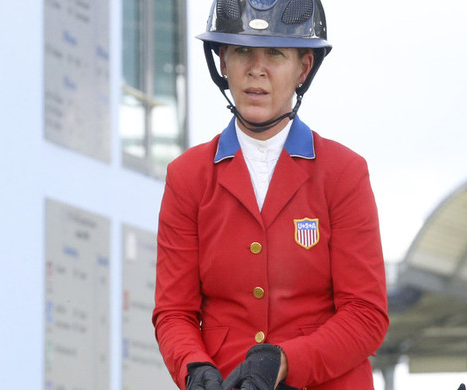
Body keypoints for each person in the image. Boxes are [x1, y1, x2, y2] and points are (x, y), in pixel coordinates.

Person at [152, 1, 389, 389]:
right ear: (223, 62)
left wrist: (283, 362)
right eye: (242, 51)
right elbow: (174, 311)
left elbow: (366, 314)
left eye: (275, 54)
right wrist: (193, 368)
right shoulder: (187, 176)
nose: (256, 69)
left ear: (303, 68)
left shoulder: (344, 172)